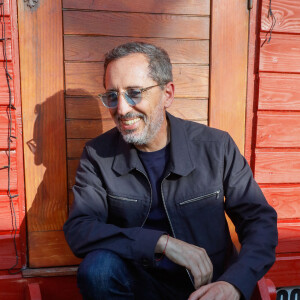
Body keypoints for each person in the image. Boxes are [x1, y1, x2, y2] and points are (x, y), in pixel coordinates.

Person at [63, 42, 278, 300]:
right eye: (112, 96)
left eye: (134, 93)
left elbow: (259, 222)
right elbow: (80, 229)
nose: (121, 109)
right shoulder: (98, 154)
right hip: (137, 286)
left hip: (208, 287)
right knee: (97, 270)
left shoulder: (216, 147)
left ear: (167, 94)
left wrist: (233, 283)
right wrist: (161, 243)